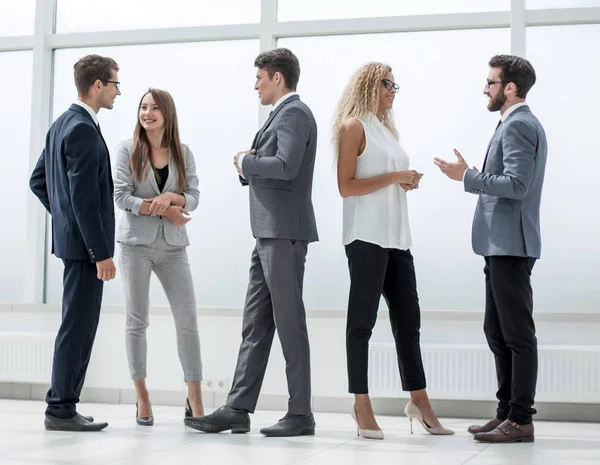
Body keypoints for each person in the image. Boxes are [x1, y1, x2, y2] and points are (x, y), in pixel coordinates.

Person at [185, 48, 318, 437]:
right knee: (255, 324)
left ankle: (301, 414)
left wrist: (246, 162)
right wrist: (252, 164)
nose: (255, 84)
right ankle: (238, 408)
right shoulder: (283, 115)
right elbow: (275, 163)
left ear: (278, 78)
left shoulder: (294, 112)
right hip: (268, 232)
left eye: (260, 77)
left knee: (289, 324)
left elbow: (287, 166)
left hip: (283, 233)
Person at [334, 62, 454, 439]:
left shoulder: (386, 131)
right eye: (387, 83)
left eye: (394, 84)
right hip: (366, 237)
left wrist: (405, 181)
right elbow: (346, 186)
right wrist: (394, 177)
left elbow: (382, 180)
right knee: (362, 324)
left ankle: (419, 402)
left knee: (409, 322)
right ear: (369, 84)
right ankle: (361, 404)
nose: (393, 90)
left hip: (396, 238)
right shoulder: (353, 127)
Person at [434, 54, 547, 443]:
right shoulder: (511, 124)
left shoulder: (519, 125)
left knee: (516, 334)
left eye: (491, 82)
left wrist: (467, 176)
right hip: (500, 244)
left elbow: (516, 185)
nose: (485, 88)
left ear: (509, 87)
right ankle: (506, 413)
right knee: (496, 330)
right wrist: (471, 175)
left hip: (511, 244)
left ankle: (520, 419)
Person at [29, 54, 120, 432]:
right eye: (115, 83)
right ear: (97, 85)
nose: (118, 92)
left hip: (75, 245)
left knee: (76, 324)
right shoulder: (82, 128)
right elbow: (82, 199)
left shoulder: (61, 123)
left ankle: (63, 405)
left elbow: (38, 181)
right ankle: (61, 408)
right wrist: (100, 252)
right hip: (86, 251)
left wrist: (65, 220)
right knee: (77, 327)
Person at [113, 88, 204, 425]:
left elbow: (193, 197)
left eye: (153, 108)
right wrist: (164, 209)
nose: (147, 112)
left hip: (174, 248)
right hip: (135, 245)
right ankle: (142, 397)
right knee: (137, 321)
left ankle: (194, 397)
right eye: (142, 107)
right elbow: (121, 196)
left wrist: (173, 198)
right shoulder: (126, 150)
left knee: (188, 320)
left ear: (167, 113)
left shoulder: (183, 152)